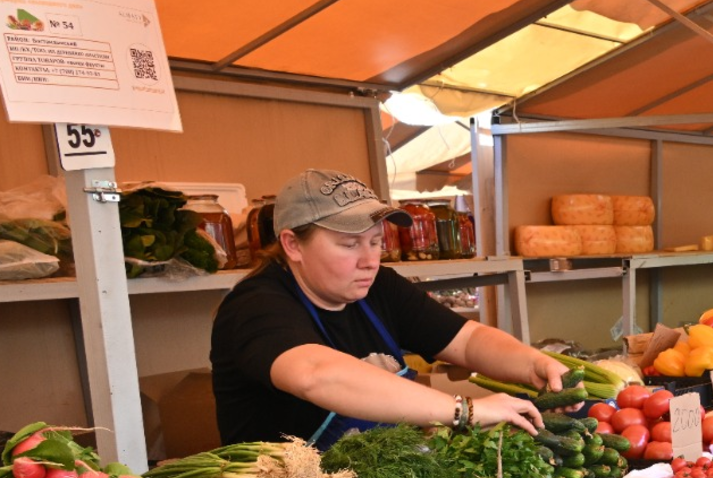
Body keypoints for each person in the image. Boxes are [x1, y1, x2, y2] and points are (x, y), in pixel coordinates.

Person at [211, 169, 561, 446]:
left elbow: (467, 341)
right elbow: (315, 374)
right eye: (349, 244)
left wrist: (533, 364)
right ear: (292, 245)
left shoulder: (379, 287)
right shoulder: (255, 306)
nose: (369, 261)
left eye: (376, 242)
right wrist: (464, 411)